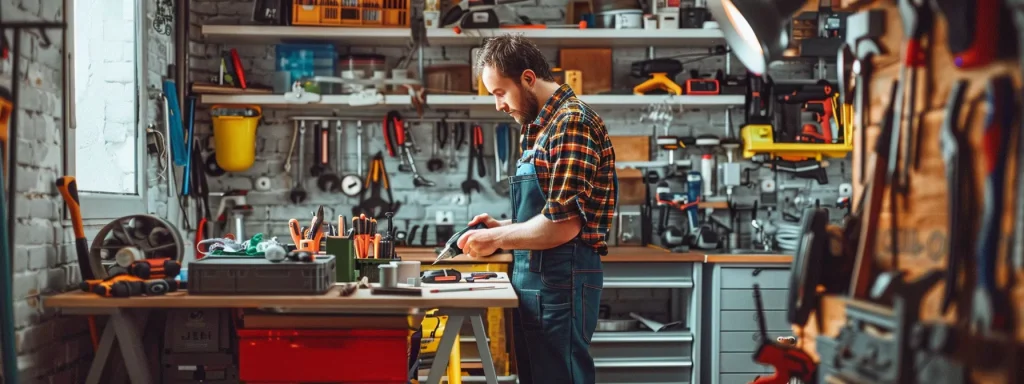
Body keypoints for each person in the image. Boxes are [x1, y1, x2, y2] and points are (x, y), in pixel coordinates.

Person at [456, 34, 618, 384]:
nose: (498, 104)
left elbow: (562, 227)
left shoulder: (571, 124)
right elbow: (549, 211)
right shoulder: (539, 127)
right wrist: (504, 226)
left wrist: (498, 238)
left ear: (528, 78)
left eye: (500, 92)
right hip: (537, 278)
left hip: (562, 279)